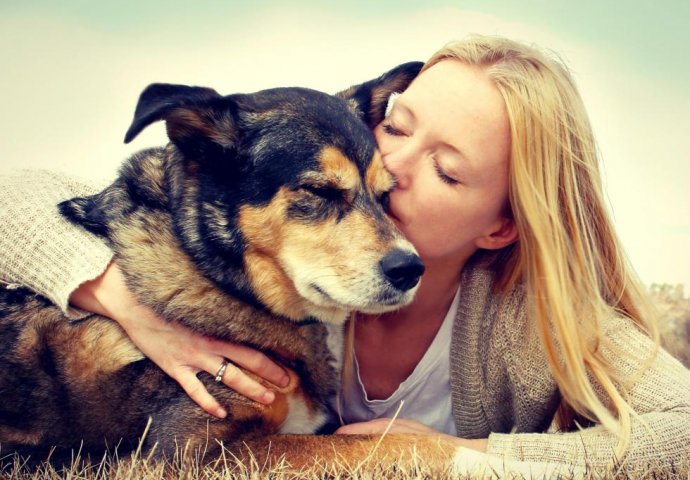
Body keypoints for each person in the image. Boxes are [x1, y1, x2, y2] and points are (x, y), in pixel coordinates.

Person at [1, 35, 689, 474]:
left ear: (500, 227)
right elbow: (21, 196)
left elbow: (683, 430)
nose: (388, 165)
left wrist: (464, 457)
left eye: (448, 172)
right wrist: (114, 295)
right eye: (395, 125)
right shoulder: (300, 224)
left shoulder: (529, 322)